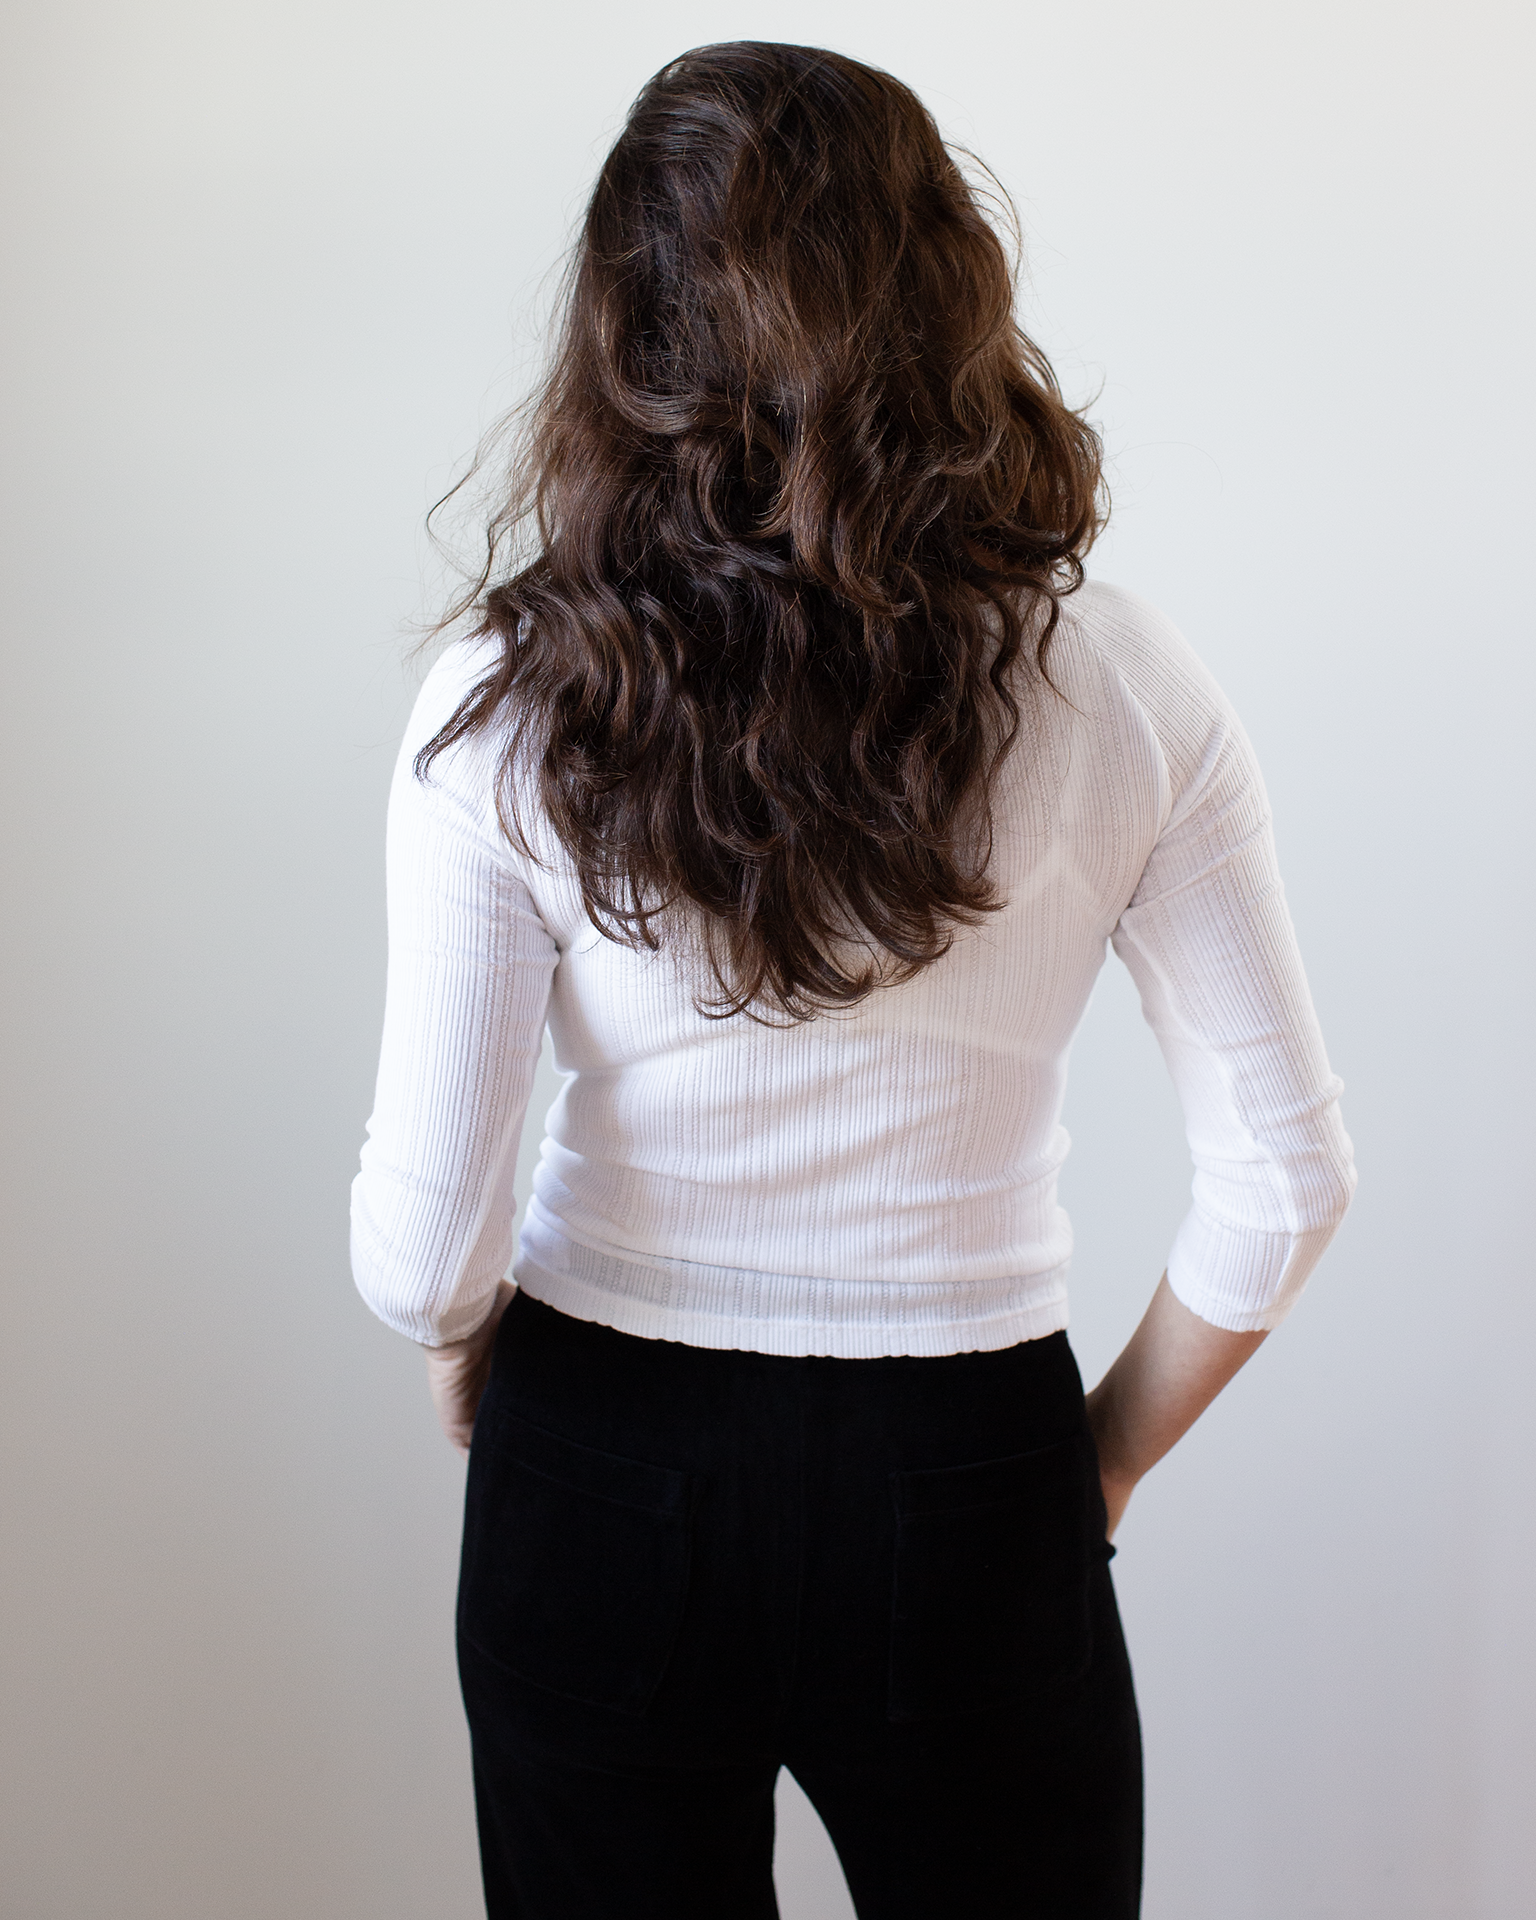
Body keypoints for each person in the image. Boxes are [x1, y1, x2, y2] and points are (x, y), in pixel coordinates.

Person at [350, 40, 1355, 1920]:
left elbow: (421, 1248)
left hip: (601, 1456)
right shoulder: (1125, 684)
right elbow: (1288, 1184)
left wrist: (464, 1366)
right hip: (964, 1466)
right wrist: (1091, 1475)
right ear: (950, 286)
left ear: (624, 330)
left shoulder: (508, 699)